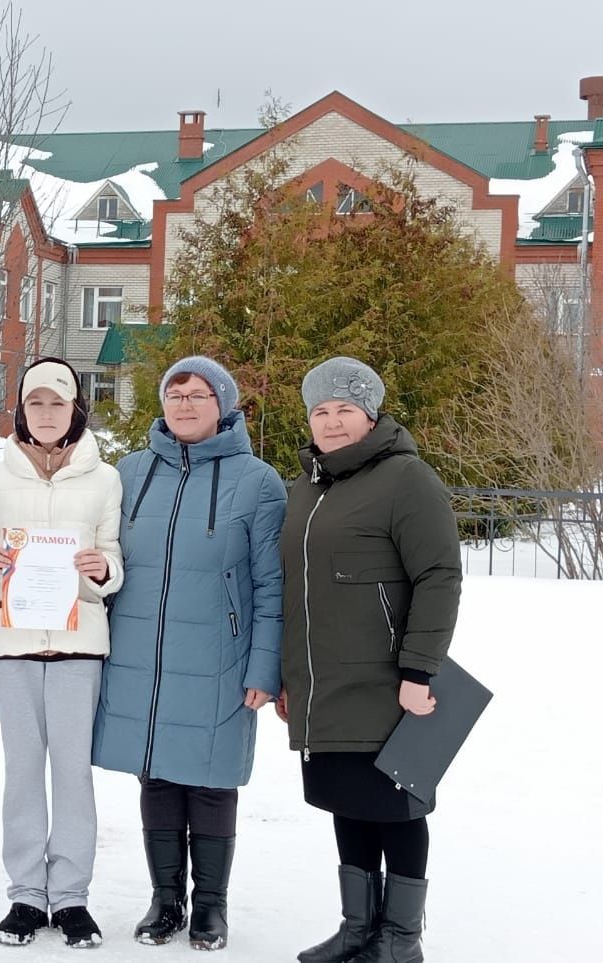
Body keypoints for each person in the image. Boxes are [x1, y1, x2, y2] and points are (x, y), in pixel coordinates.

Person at [92, 356, 286, 951]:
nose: (186, 404)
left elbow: (271, 585)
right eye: (176, 393)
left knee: (208, 780)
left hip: (218, 657)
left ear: (224, 406)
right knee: (156, 774)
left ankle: (211, 907)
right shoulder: (128, 472)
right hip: (140, 655)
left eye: (200, 394)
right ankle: (164, 900)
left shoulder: (257, 482)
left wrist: (265, 667)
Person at [277, 357, 461, 963]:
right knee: (347, 803)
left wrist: (419, 670)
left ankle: (400, 940)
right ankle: (358, 930)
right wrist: (288, 678)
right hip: (325, 683)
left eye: (344, 410)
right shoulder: (309, 485)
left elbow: (438, 576)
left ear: (370, 415)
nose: (331, 422)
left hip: (386, 684)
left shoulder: (407, 479)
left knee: (396, 808)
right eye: (321, 411)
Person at [0, 358, 123, 948]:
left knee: (72, 774)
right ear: (22, 410)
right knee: (24, 772)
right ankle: (28, 895)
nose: (47, 414)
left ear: (75, 408)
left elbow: (112, 554)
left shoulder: (103, 479)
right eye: (36, 403)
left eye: (58, 403)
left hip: (79, 644)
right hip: (13, 644)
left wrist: (102, 568)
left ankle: (74, 896)